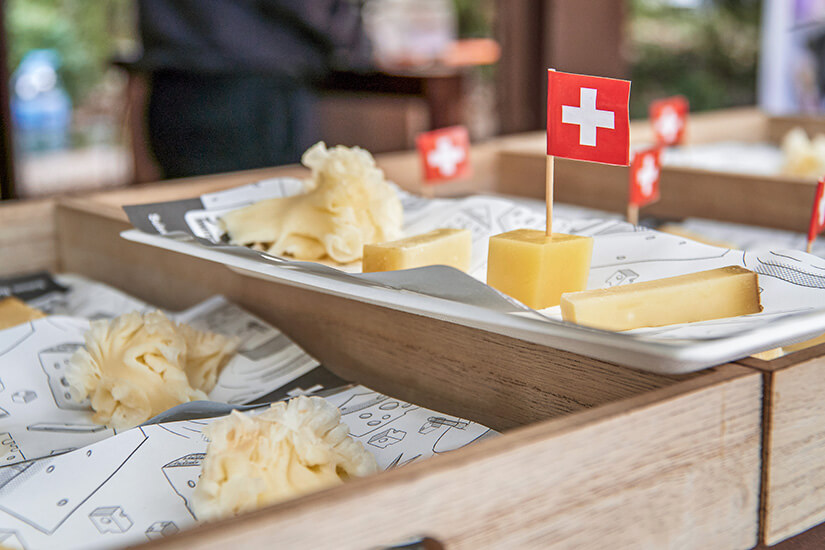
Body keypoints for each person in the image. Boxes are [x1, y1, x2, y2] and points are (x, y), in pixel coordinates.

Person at [135, 0, 370, 178]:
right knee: (263, 220)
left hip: (174, 87)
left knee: (185, 223)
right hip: (255, 95)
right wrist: (352, 38)